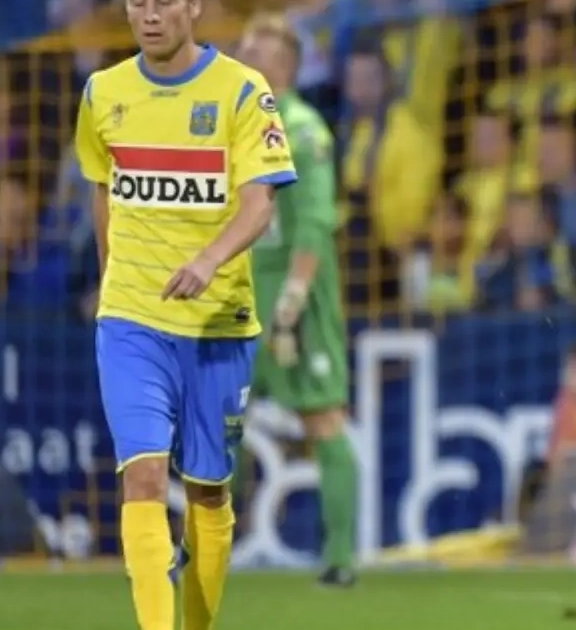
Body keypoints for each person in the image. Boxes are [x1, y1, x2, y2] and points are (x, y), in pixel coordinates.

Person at [73, 1, 296, 628]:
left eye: (164, 1)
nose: (149, 15)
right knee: (142, 477)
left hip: (216, 323)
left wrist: (209, 260)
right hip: (131, 319)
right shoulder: (102, 93)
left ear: (194, 6)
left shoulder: (243, 91)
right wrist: (111, 278)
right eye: (137, 2)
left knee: (208, 489)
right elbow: (103, 191)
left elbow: (260, 204)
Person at [237, 15, 358, 589]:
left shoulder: (305, 131)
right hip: (240, 289)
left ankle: (340, 559)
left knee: (321, 417)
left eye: (252, 53)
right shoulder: (231, 128)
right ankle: (208, 543)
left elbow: (314, 224)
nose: (240, 59)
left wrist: (291, 303)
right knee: (218, 415)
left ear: (281, 66)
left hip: (296, 292)